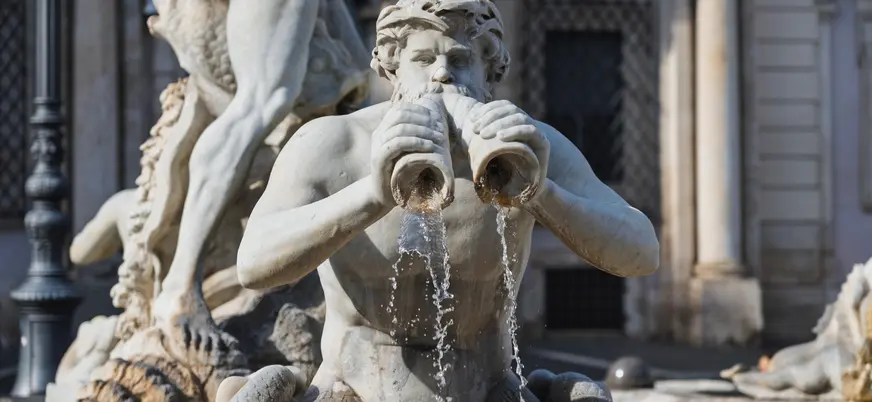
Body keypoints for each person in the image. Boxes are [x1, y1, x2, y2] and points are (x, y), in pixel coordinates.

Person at [236, 0, 660, 400]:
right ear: (392, 68)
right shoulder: (334, 142)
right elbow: (253, 264)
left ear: (488, 72)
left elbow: (641, 254)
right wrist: (371, 194)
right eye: (423, 60)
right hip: (354, 390)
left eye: (460, 60)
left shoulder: (530, 145)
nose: (442, 75)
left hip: (488, 391)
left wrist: (539, 192)